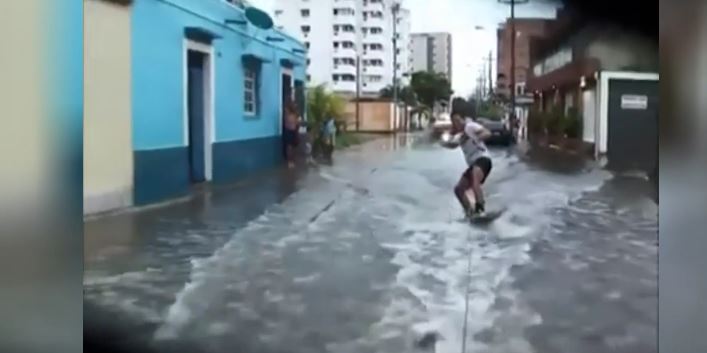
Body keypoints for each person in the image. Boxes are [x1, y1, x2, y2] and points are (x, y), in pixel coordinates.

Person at [442, 112, 493, 218]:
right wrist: (442, 143)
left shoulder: (470, 126)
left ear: (462, 119)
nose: (458, 123)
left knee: (475, 179)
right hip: (474, 164)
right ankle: (469, 211)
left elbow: (487, 133)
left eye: (459, 120)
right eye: (455, 122)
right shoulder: (459, 136)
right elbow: (453, 145)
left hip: (483, 159)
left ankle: (480, 208)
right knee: (458, 189)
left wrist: (477, 138)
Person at [283, 101, 300, 169]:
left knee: (292, 146)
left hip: (293, 131)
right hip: (289, 131)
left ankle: (291, 160)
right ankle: (290, 161)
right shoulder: (288, 114)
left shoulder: (294, 114)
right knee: (289, 147)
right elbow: (290, 122)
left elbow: (296, 123)